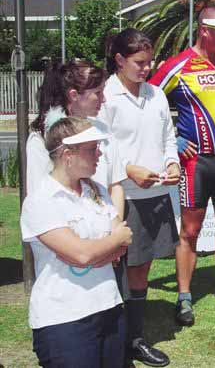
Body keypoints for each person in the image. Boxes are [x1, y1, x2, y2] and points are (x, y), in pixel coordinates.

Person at [149, 6, 215, 327]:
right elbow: (148, 101)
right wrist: (174, 139)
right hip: (196, 163)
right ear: (204, 30)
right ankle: (184, 296)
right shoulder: (179, 65)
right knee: (191, 231)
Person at [20, 116, 132, 367]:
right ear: (67, 155)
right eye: (92, 149)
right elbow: (83, 254)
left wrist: (98, 251)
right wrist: (106, 245)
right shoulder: (40, 201)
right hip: (64, 320)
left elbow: (124, 239)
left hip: (109, 306)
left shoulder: (97, 191)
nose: (99, 154)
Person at [101, 28, 180, 367]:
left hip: (156, 194)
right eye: (139, 63)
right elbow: (100, 148)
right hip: (121, 196)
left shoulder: (156, 94)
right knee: (114, 270)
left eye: (149, 62)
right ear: (119, 59)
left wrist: (173, 162)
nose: (147, 69)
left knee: (141, 268)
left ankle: (133, 340)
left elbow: (168, 137)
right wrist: (129, 169)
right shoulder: (105, 96)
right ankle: (113, 342)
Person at [26, 60, 126, 218]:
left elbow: (115, 185)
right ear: (73, 95)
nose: (104, 99)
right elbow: (38, 197)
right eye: (98, 93)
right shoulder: (41, 139)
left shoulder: (102, 130)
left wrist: (116, 226)